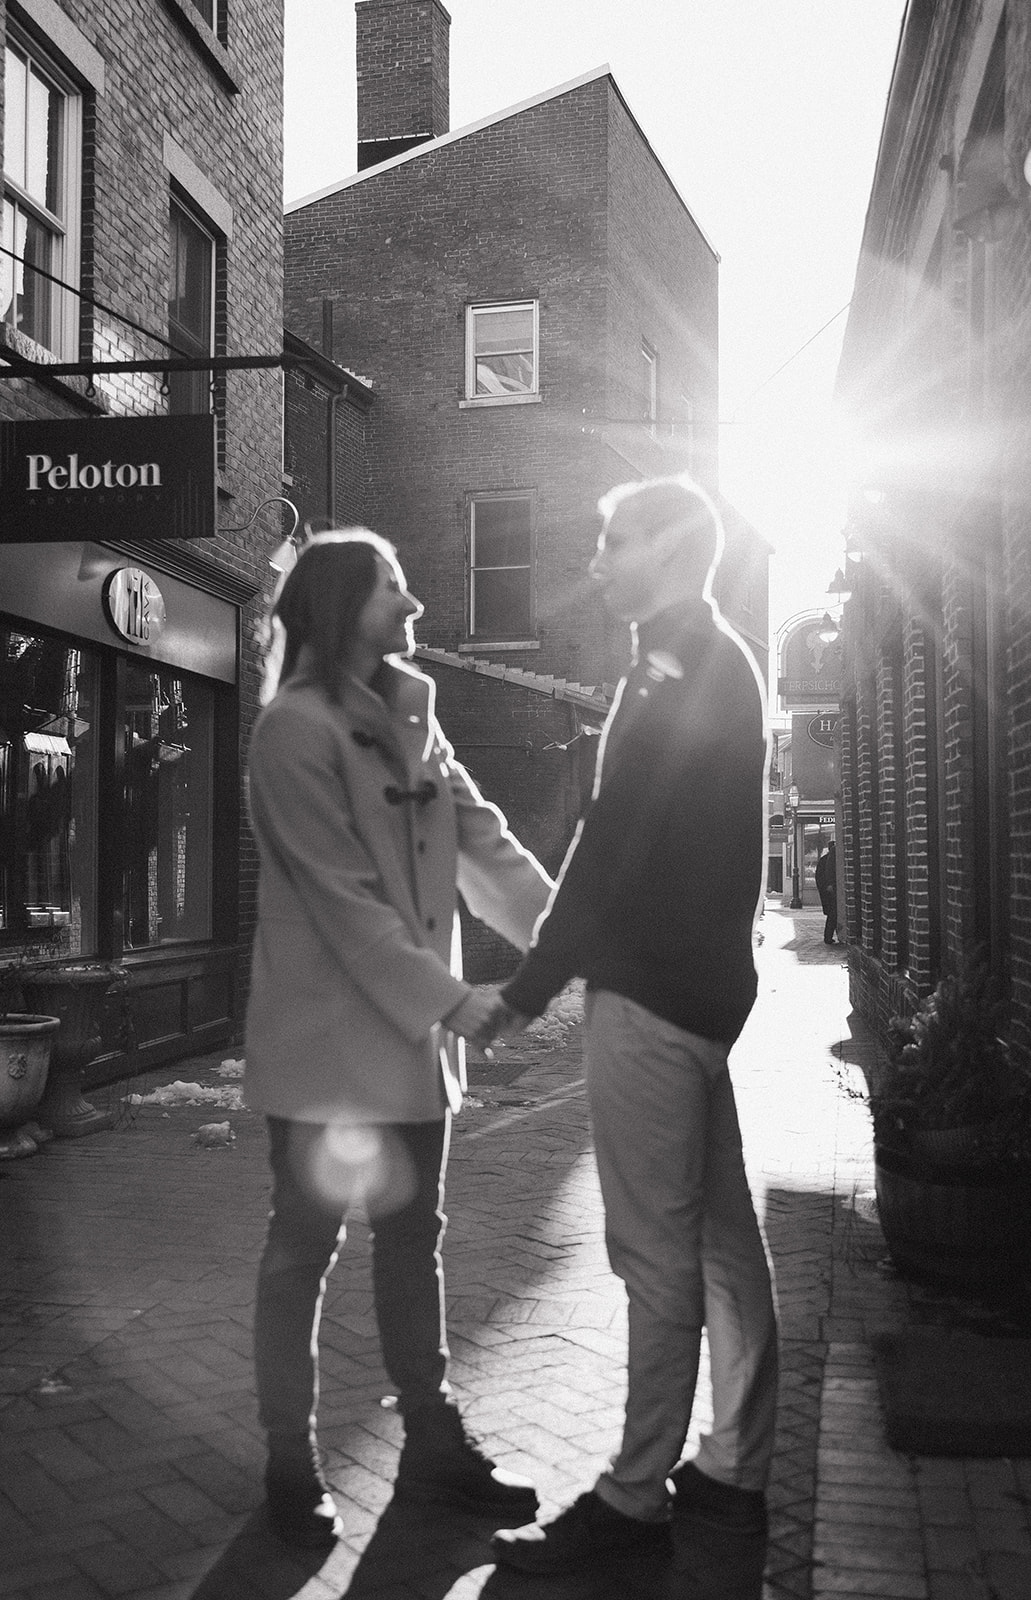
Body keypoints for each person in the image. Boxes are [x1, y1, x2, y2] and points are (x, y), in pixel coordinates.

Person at [490, 477, 779, 1595]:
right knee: (717, 1242)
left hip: (653, 1002)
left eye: (611, 542)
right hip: (698, 997)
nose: (597, 562)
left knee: (653, 1256)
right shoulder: (710, 657)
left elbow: (609, 848)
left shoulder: (674, 668)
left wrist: (523, 992)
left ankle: (630, 1495)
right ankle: (735, 1463)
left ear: (664, 547)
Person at [244, 530, 554, 1548]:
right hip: (328, 1052)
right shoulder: (289, 733)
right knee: (303, 1250)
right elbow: (341, 900)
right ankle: (290, 1466)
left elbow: (486, 842)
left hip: (413, 1043)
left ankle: (430, 1448)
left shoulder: (414, 714)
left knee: (412, 1243)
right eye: (394, 587)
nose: (415, 604)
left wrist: (566, 948)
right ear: (340, 606)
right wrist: (453, 1000)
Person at [815, 839, 838, 944]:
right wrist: (829, 886)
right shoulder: (828, 860)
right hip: (831, 891)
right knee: (833, 913)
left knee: (832, 914)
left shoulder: (823, 859)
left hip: (828, 890)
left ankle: (829, 936)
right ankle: (828, 937)